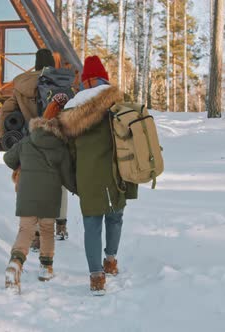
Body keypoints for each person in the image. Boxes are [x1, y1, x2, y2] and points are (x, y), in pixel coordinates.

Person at [58, 55, 137, 296]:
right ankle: (111, 261)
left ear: (86, 81)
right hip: (118, 171)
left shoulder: (72, 109)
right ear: (104, 78)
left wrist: (74, 178)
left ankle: (96, 277)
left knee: (92, 225)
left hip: (88, 174)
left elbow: (68, 151)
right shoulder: (121, 102)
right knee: (115, 218)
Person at [3, 93, 76, 294]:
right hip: (49, 195)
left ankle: (15, 264)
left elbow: (9, 159)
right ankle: (46, 268)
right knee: (46, 229)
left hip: (26, 193)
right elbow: (68, 177)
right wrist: (79, 190)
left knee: (25, 230)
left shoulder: (27, 141)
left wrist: (23, 163)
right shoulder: (61, 147)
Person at [0, 48, 70, 244]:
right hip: (57, 140)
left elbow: (7, 110)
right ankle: (61, 224)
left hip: (30, 140)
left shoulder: (22, 84)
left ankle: (37, 234)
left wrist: (6, 138)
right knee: (60, 181)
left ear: (36, 63)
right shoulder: (60, 82)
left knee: (32, 183)